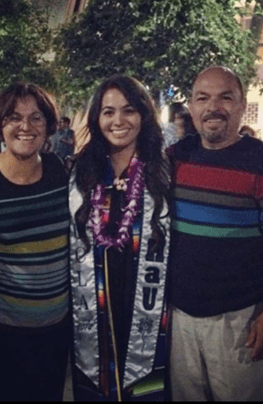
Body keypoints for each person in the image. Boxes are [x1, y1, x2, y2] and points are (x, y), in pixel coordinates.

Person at [167, 66, 263, 401]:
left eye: (225, 97)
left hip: (242, 321)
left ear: (242, 105)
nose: (214, 107)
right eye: (203, 98)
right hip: (180, 320)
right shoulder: (174, 159)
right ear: (192, 108)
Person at [0, 82, 71, 402]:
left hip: (56, 325)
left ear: (48, 126)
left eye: (36, 117)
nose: (25, 126)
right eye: (13, 117)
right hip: (1, 329)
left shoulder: (57, 171)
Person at [69, 74, 171, 401]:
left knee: (146, 391)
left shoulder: (164, 171)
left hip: (147, 305)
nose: (118, 121)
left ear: (143, 114)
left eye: (128, 110)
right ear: (96, 118)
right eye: (108, 112)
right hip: (95, 304)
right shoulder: (82, 173)